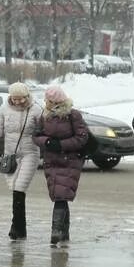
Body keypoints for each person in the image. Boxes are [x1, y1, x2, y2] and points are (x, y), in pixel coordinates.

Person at [0, 82, 44, 240]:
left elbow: (45, 131)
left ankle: (17, 227)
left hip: (30, 154)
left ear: (26, 96)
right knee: (14, 189)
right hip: (10, 156)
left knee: (19, 188)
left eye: (20, 99)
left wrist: (42, 137)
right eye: (14, 99)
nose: (17, 102)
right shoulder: (4, 109)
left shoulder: (36, 109)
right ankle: (19, 227)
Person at [32, 85, 90, 247]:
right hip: (51, 160)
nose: (46, 102)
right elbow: (36, 136)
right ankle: (64, 233)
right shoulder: (45, 116)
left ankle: (56, 232)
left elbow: (82, 138)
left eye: (48, 100)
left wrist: (61, 145)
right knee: (60, 196)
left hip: (69, 160)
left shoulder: (73, 115)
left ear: (56, 101)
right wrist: (48, 142)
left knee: (60, 195)